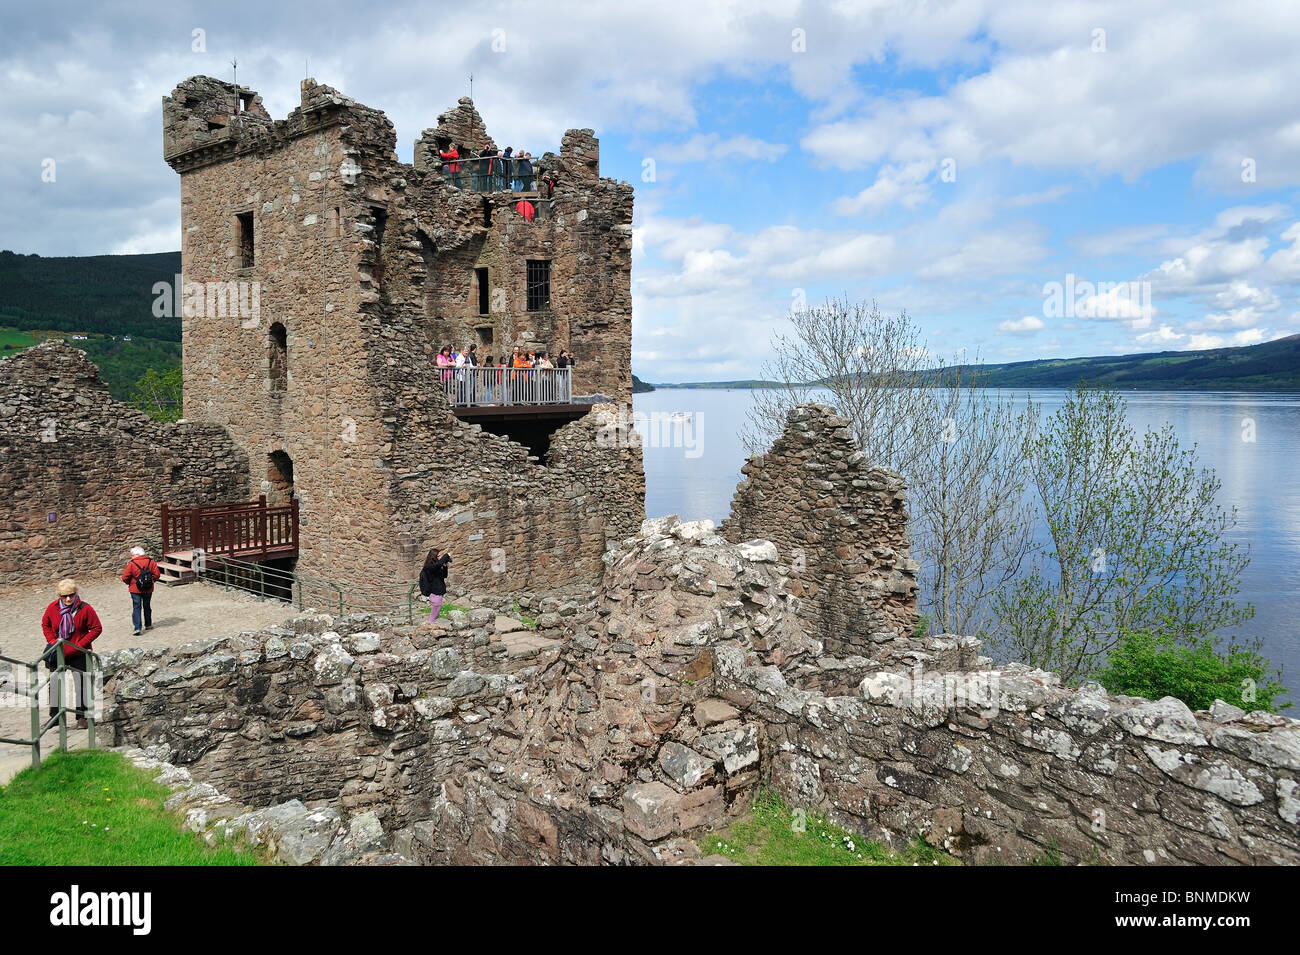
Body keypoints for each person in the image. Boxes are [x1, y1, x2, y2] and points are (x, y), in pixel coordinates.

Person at [40, 578, 102, 730]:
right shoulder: (53, 608)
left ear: (76, 594)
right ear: (59, 596)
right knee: (55, 684)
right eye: (64, 596)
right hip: (58, 651)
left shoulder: (85, 608)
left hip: (79, 653)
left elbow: (96, 628)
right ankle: (55, 716)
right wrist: (53, 641)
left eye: (71, 595)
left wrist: (80, 645)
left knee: (82, 684)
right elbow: (45, 624)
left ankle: (82, 717)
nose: (68, 599)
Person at [122, 545, 160, 636]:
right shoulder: (151, 562)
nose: (131, 557)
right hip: (148, 588)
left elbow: (124, 577)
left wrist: (130, 583)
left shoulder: (131, 564)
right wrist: (151, 581)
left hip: (135, 589)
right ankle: (148, 624)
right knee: (147, 606)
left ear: (137, 554)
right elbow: (157, 574)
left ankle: (137, 627)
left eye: (132, 555)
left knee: (136, 607)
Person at [418, 549, 452, 622]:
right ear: (434, 557)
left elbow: (444, 575)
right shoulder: (429, 567)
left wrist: (445, 565)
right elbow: (438, 564)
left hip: (439, 590)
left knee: (437, 610)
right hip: (434, 592)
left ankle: (433, 623)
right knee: (435, 610)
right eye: (438, 556)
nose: (440, 557)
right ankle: (431, 624)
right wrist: (446, 555)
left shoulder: (437, 566)